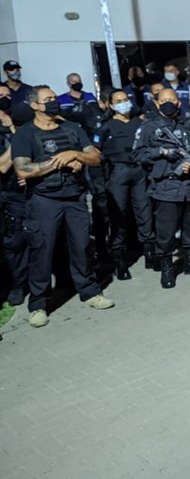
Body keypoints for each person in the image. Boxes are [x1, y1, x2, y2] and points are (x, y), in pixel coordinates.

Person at [12, 85, 115, 326]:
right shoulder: (25, 134)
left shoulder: (72, 128)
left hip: (75, 197)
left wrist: (75, 155)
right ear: (34, 105)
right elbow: (23, 169)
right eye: (47, 99)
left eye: (54, 97)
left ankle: (89, 291)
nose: (53, 102)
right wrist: (60, 161)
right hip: (44, 200)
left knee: (81, 246)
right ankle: (38, 304)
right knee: (42, 251)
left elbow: (95, 157)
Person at [132, 88, 190, 288]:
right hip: (166, 187)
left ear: (179, 102)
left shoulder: (189, 124)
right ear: (157, 103)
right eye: (164, 100)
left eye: (172, 99)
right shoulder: (149, 127)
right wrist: (161, 152)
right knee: (166, 230)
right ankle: (167, 267)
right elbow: (137, 155)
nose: (168, 103)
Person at [100, 90, 157, 279]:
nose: (123, 103)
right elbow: (96, 152)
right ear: (111, 105)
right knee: (119, 215)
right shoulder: (106, 127)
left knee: (145, 211)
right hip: (118, 172)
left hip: (140, 171)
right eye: (118, 101)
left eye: (125, 99)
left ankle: (150, 254)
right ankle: (120, 260)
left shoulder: (140, 123)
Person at [57, 72, 110, 261]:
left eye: (78, 81)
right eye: (73, 82)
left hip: (95, 153)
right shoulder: (62, 101)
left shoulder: (90, 98)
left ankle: (103, 247)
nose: (76, 84)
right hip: (76, 154)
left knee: (101, 199)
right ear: (68, 83)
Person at [0, 90, 35, 307]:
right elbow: (3, 166)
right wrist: (17, 137)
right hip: (9, 193)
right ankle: (19, 285)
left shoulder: (22, 120)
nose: (5, 98)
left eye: (7, 94)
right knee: (14, 243)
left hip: (32, 191)